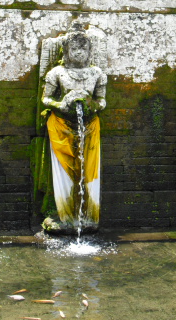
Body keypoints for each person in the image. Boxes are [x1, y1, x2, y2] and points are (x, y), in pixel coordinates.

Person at [42, 26, 107, 230]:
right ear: (66, 51)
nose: (79, 53)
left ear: (90, 51)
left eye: (84, 49)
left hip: (89, 126)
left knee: (88, 170)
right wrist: (60, 105)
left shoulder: (97, 74)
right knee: (63, 170)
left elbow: (102, 101)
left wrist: (92, 105)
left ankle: (87, 215)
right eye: (75, 48)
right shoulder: (57, 73)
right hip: (60, 125)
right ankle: (61, 213)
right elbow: (45, 98)